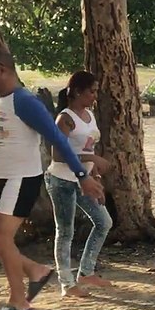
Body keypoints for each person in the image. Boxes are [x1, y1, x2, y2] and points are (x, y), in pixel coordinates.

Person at [0, 49, 103, 310]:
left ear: (2, 69)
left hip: (20, 178)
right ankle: (35, 270)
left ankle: (18, 300)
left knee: (1, 237)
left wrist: (83, 176)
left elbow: (57, 138)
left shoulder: (25, 101)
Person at [45, 71, 114, 298]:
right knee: (65, 231)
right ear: (76, 92)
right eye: (91, 91)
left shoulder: (89, 115)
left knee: (103, 221)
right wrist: (92, 160)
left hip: (83, 178)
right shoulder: (65, 118)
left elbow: (87, 147)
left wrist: (93, 173)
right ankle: (67, 283)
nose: (95, 96)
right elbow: (57, 154)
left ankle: (86, 271)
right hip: (62, 179)